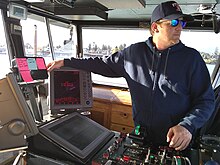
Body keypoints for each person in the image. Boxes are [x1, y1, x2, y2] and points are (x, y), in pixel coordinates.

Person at [47, 1, 215, 151]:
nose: (179, 27)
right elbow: (102, 64)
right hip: (142, 139)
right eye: (173, 22)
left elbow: (205, 101)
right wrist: (67, 62)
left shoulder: (192, 59)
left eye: (182, 22)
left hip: (176, 142)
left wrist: (187, 126)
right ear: (155, 27)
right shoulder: (134, 54)